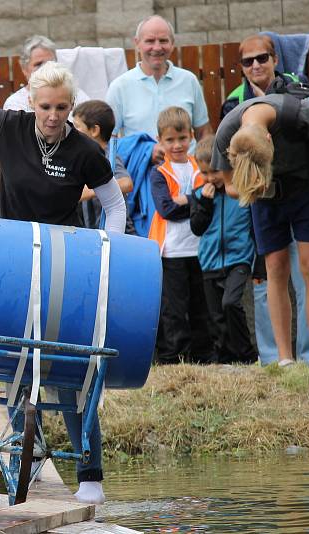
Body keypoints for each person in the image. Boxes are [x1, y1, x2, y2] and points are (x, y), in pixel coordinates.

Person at [0, 61, 127, 505]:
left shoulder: (84, 152)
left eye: (61, 107)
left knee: (76, 372)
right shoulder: (9, 127)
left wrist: (103, 255)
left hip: (67, 262)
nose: (53, 116)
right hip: (15, 258)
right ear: (31, 103)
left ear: (71, 106)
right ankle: (23, 459)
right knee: (15, 365)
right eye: (45, 107)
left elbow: (115, 208)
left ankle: (90, 475)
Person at [211, 93, 309, 368]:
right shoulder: (226, 134)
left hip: (305, 187)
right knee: (275, 268)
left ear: (269, 139)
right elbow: (230, 186)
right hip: (265, 200)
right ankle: (284, 359)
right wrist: (253, 187)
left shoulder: (296, 114)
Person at [219, 34, 309, 365]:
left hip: (302, 191)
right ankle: (275, 357)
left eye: (262, 58)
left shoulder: (297, 86)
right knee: (270, 272)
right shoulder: (234, 103)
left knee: (307, 271)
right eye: (248, 61)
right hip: (262, 200)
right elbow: (231, 167)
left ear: (275, 59)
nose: (256, 65)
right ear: (241, 67)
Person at [148, 106, 214, 364]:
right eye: (170, 140)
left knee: (201, 307)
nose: (177, 145)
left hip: (200, 248)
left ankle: (204, 355)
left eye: (182, 138)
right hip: (171, 250)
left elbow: (210, 200)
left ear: (191, 137)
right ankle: (174, 357)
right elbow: (166, 210)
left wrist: (185, 199)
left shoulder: (201, 166)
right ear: (160, 141)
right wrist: (196, 201)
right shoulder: (159, 173)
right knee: (174, 309)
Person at [189, 136, 257, 364]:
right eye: (204, 173)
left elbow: (254, 225)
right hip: (210, 262)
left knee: (231, 303)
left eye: (215, 172)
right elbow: (197, 228)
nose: (210, 178)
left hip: (239, 258)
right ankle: (224, 357)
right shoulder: (200, 195)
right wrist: (205, 205)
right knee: (216, 314)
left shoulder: (240, 192)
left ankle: (246, 354)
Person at [105, 15, 212, 151]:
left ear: (172, 43)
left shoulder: (189, 80)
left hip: (186, 169)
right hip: (140, 170)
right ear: (137, 44)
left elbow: (203, 132)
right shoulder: (119, 87)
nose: (157, 47)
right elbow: (108, 140)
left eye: (163, 40)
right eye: (150, 41)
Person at [71, 100, 134, 231]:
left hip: (118, 234)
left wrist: (92, 190)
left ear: (94, 130)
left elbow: (127, 183)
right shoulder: (82, 157)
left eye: (77, 127)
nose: (73, 131)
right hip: (92, 232)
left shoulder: (108, 157)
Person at [3, 35, 90, 113]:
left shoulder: (75, 94)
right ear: (24, 69)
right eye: (38, 64)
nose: (45, 67)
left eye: (50, 62)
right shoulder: (15, 104)